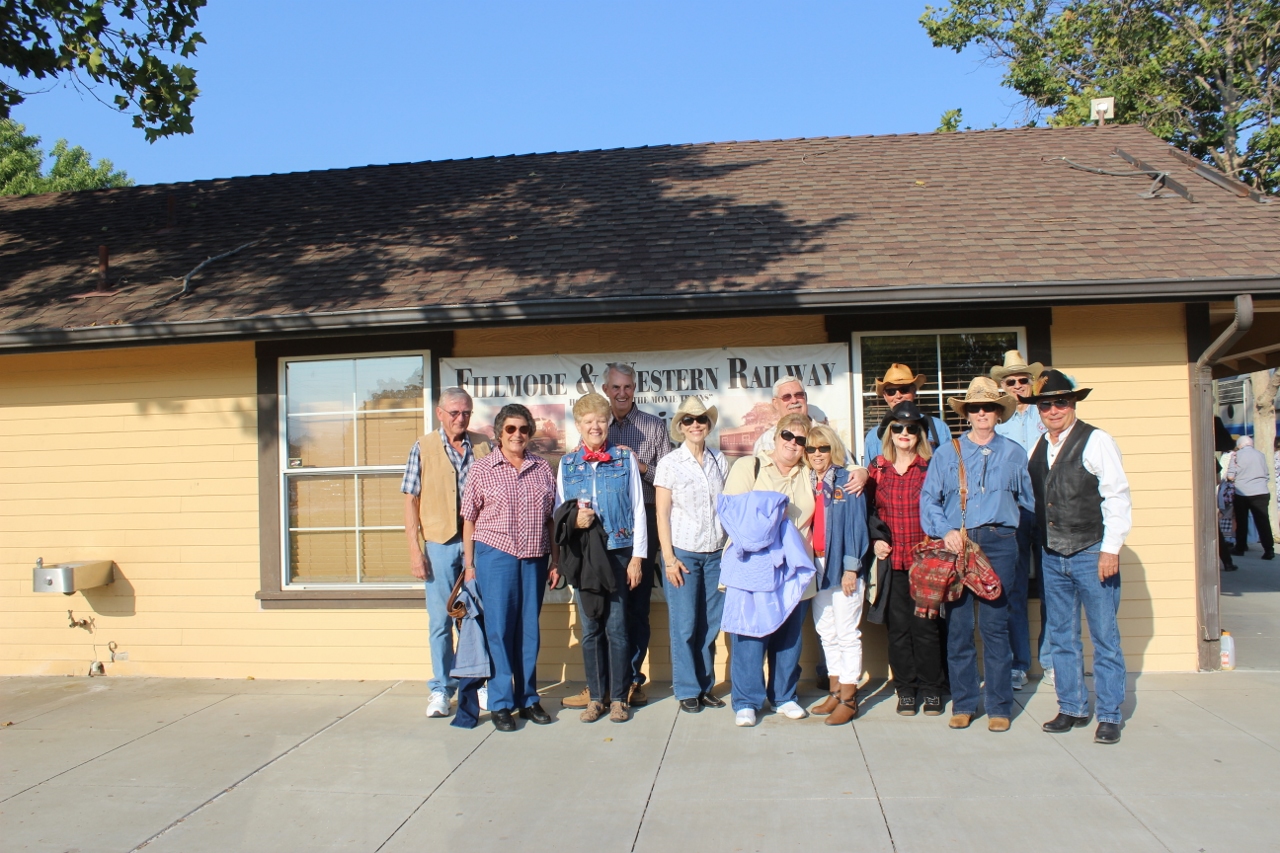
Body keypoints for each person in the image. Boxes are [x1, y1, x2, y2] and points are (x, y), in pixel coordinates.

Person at [921, 377, 1033, 733]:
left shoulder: (1014, 452)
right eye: (975, 407)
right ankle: (966, 702)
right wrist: (946, 531)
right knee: (958, 627)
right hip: (959, 543)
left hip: (999, 542)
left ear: (999, 412)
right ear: (966, 413)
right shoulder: (947, 452)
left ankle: (999, 704)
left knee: (995, 626)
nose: (982, 413)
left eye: (988, 407)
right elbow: (929, 499)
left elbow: (1027, 502)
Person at [1028, 369, 1133, 745]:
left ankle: (1108, 714)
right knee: (1062, 637)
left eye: (1061, 401)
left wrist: (1111, 549)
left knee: (1104, 637)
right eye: (1046, 403)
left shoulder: (1097, 440)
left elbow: (1116, 495)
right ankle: (1071, 707)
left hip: (1092, 551)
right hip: (1052, 555)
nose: (1054, 409)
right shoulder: (1039, 445)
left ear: (1073, 403)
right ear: (1038, 409)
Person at [460, 403, 559, 732]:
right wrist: (469, 565)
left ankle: (527, 698)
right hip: (495, 556)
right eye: (511, 429)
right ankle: (501, 702)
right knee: (500, 630)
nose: (518, 435)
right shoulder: (482, 469)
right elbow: (469, 518)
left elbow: (550, 520)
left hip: (534, 557)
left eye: (524, 429)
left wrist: (555, 560)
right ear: (499, 434)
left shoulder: (542, 468)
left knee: (529, 630)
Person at [557, 391, 648, 723]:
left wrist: (638, 558)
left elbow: (639, 509)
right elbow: (558, 512)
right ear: (579, 425)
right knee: (591, 627)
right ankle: (596, 697)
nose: (595, 426)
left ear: (608, 422)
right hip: (584, 558)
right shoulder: (568, 464)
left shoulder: (625, 460)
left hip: (619, 554)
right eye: (588, 421)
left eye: (600, 419)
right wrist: (573, 520)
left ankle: (620, 697)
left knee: (618, 627)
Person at [401, 387, 492, 719]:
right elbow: (410, 500)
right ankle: (441, 688)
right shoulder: (422, 447)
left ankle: (478, 682)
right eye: (454, 413)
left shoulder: (484, 445)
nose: (460, 419)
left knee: (475, 617)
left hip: (479, 543)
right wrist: (415, 549)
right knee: (440, 620)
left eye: (466, 412)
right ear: (440, 413)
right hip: (439, 543)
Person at [722, 413, 817, 727]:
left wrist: (860, 472)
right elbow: (733, 514)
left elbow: (845, 469)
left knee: (789, 636)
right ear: (776, 437)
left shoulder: (810, 472)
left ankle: (784, 696)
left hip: (793, 565)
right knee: (750, 633)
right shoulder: (750, 467)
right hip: (753, 563)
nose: (793, 444)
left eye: (800, 440)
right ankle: (747, 700)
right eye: (788, 436)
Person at [866, 401, 947, 717]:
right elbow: (869, 511)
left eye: (911, 428)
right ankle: (906, 689)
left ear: (920, 433)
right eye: (897, 427)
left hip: (924, 562)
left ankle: (932, 689)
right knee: (898, 629)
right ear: (889, 432)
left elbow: (943, 509)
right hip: (893, 562)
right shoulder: (878, 468)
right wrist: (875, 540)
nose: (904, 433)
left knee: (926, 629)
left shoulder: (931, 467)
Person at [654, 397, 729, 713]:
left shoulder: (718, 459)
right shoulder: (670, 463)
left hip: (716, 554)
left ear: (708, 425)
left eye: (700, 419)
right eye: (688, 420)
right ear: (680, 427)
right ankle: (687, 687)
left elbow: (726, 507)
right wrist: (669, 558)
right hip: (684, 553)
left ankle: (705, 685)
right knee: (685, 624)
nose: (695, 425)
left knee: (709, 625)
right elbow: (661, 513)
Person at [804, 423, 880, 725]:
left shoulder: (847, 481)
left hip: (842, 566)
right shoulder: (807, 481)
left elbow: (857, 526)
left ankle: (849, 697)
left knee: (848, 633)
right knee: (827, 631)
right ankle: (835, 691)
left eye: (823, 448)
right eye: (811, 449)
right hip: (816, 565)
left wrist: (852, 567)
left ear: (832, 448)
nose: (817, 454)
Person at [991, 350, 1046, 692]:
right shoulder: (998, 421)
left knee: (1053, 588)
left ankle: (1052, 660)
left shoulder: (1047, 412)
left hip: (1048, 508)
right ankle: (1019, 664)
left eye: (1022, 380)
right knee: (1014, 589)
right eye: (1009, 381)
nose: (1016, 386)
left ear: (1031, 382)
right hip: (1013, 511)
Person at [861, 363, 951, 467]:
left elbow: (949, 469)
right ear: (885, 396)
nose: (898, 395)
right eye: (891, 391)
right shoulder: (873, 437)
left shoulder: (938, 428)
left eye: (904, 389)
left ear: (914, 392)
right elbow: (871, 477)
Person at [1227, 435, 1274, 560]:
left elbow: (1230, 476)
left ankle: (1240, 547)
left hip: (1242, 492)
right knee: (1263, 521)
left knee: (1242, 521)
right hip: (1261, 492)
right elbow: (1266, 473)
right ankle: (1269, 549)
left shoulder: (1236, 456)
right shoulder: (1260, 455)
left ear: (1240, 445)